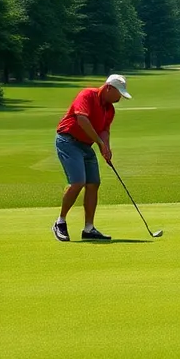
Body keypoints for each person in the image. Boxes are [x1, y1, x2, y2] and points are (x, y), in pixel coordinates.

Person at [52, 74, 131, 242]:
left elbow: (104, 130)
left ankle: (89, 228)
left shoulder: (110, 109)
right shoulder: (87, 95)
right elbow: (82, 120)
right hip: (68, 141)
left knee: (93, 183)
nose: (120, 98)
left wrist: (106, 147)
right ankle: (60, 222)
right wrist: (100, 144)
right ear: (109, 88)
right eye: (119, 93)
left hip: (86, 145)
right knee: (78, 182)